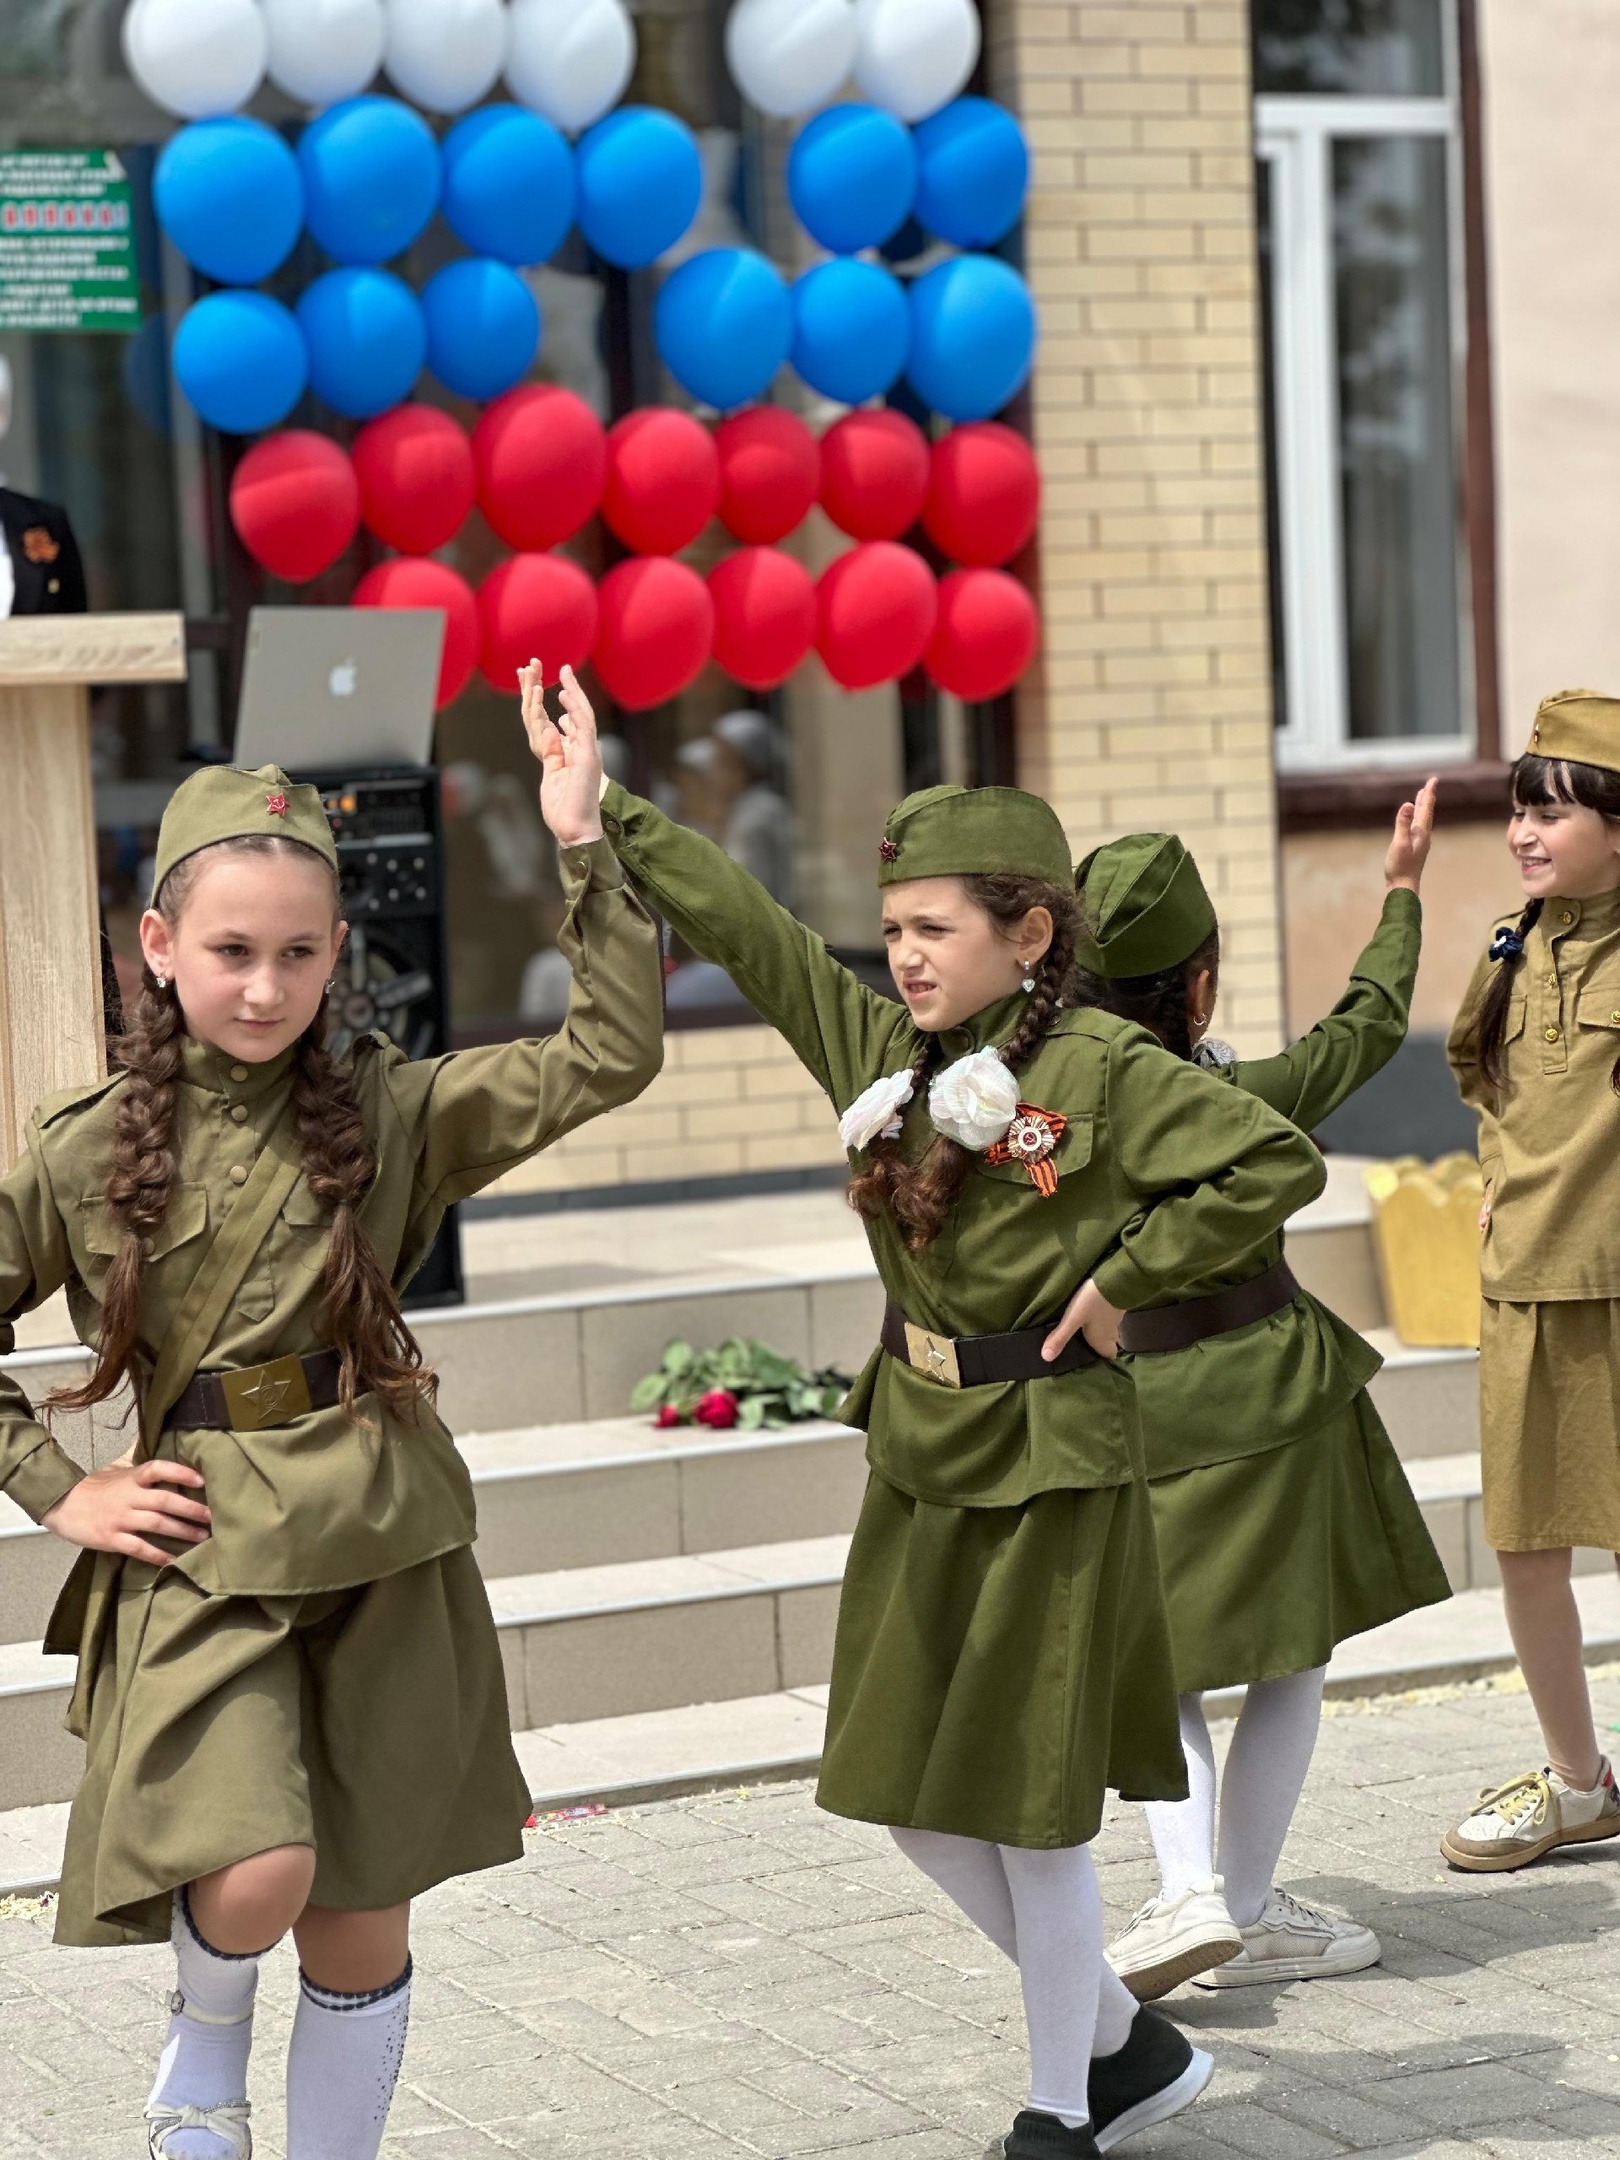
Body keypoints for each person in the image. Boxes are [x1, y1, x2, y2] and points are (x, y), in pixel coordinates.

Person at [576, 708, 1329, 2158]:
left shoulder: (1102, 1066)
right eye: (895, 930)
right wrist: (604, 803)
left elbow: (1271, 1160)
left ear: (1029, 933)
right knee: (907, 1798)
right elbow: (754, 931)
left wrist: (1125, 1279)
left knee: (1031, 1808)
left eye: (935, 929)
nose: (906, 956)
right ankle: (1123, 2044)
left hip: (1051, 1457)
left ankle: (1060, 2109)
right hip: (920, 1453)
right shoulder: (884, 1049)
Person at [0, 665, 662, 2159]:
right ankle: (202, 2058)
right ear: (158, 945)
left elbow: (608, 1055)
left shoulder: (393, 1108)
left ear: (338, 953)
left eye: (299, 954)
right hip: (201, 1542)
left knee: (361, 1918)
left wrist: (582, 838)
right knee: (254, 1873)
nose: (264, 987)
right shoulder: (88, 1149)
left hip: (380, 1531)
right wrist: (59, 1486)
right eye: (231, 951)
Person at [1073, 792, 1452, 1999]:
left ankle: (1188, 1891)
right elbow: (1368, 1025)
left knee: (1163, 1665)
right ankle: (1241, 1907)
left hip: (1129, 1412)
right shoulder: (1244, 1097)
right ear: (1199, 988)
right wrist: (1401, 892)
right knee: (1290, 1659)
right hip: (1276, 1403)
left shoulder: (1045, 1120)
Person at [1442, 688, 1620, 1871]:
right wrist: (1498, 1169)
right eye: (1519, 809)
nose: (1524, 832)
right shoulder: (1511, 946)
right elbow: (1478, 1069)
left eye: (1552, 813)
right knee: (1526, 1547)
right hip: (1524, 1285)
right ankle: (1577, 1783)